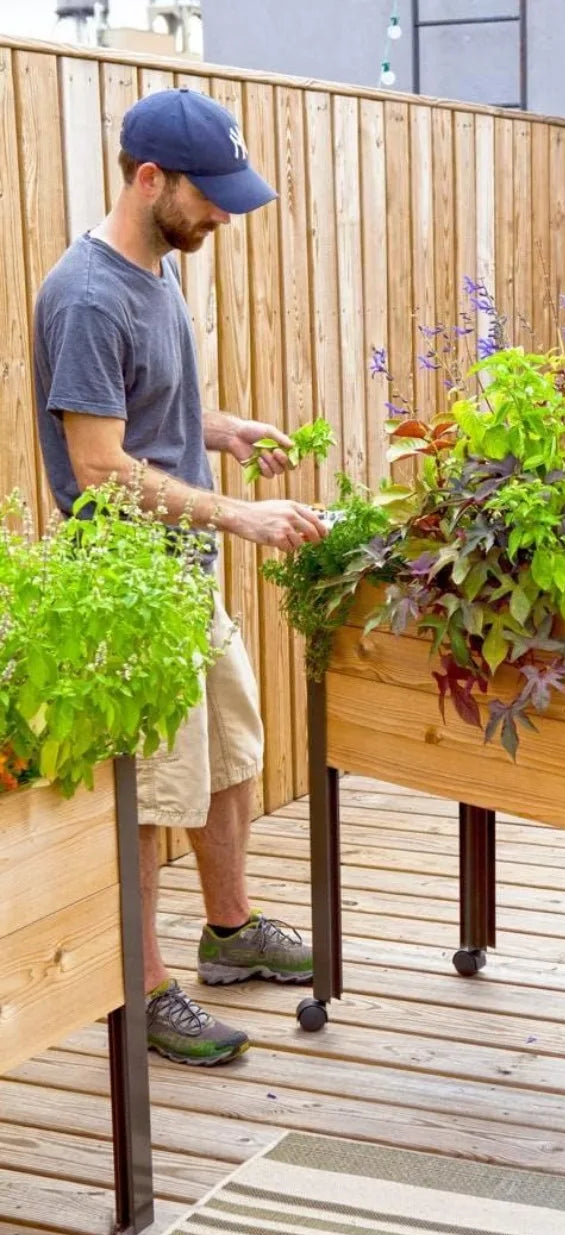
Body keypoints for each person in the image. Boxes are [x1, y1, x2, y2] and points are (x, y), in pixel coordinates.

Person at [32, 88, 326, 1067]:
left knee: (232, 757)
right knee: (153, 793)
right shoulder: (85, 293)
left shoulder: (154, 271)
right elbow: (99, 466)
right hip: (126, 590)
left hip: (183, 576)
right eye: (212, 196)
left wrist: (222, 429)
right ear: (149, 178)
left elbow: (141, 420)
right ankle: (144, 983)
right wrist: (238, 513)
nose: (224, 215)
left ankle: (230, 932)